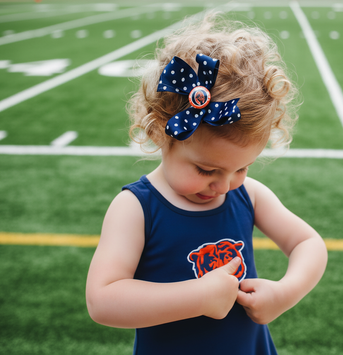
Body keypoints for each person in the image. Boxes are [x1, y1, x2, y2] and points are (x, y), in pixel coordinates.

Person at [86, 12, 327, 355]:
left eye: (242, 168)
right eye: (205, 170)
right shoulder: (136, 208)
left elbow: (308, 243)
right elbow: (102, 300)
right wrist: (198, 298)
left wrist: (285, 292)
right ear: (159, 133)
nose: (226, 185)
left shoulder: (249, 195)